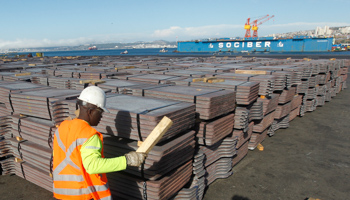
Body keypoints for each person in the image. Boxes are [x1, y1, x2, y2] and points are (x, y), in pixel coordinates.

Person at [52, 86, 147, 200]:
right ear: (91, 111)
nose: (101, 116)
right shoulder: (90, 135)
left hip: (60, 193)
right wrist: (127, 160)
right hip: (82, 195)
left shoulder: (63, 127)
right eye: (100, 112)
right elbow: (93, 166)